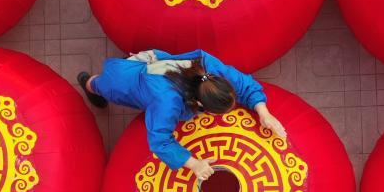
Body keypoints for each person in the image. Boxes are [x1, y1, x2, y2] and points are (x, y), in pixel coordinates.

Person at [77, 49, 285, 180]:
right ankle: (87, 83)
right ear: (200, 103)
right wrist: (194, 163)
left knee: (127, 74)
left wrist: (263, 111)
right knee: (101, 84)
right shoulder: (167, 102)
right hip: (126, 82)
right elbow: (160, 140)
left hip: (156, 66)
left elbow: (242, 83)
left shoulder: (208, 67)